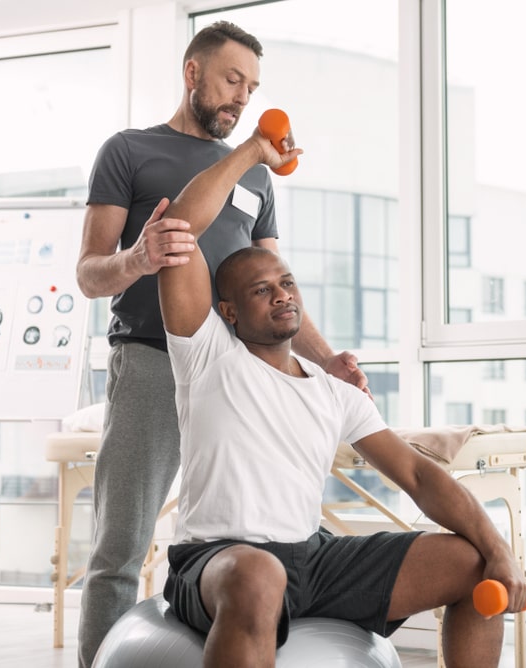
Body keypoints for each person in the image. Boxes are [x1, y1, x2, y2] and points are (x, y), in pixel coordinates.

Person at [152, 111, 526, 668]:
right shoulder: (208, 356)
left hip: (313, 559)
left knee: (471, 560)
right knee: (260, 573)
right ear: (228, 311)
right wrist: (255, 151)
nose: (282, 295)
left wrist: (502, 550)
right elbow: (178, 230)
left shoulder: (334, 392)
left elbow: (419, 475)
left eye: (287, 283)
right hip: (219, 561)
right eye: (261, 290)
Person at [74, 21, 367, 668]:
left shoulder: (258, 178)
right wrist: (137, 261)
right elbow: (89, 271)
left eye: (252, 86)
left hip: (235, 377)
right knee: (119, 546)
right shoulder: (128, 151)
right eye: (233, 80)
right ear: (192, 73)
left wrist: (328, 360)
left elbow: (272, 281)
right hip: (152, 361)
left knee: (247, 536)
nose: (242, 98)